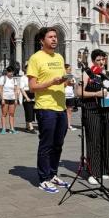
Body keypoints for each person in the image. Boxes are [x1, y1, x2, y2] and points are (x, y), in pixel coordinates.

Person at [26, 27, 70, 194]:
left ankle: (53, 174)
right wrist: (51, 82)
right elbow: (32, 87)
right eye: (50, 37)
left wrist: (67, 82)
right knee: (47, 144)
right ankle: (43, 179)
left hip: (61, 106)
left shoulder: (59, 57)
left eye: (55, 36)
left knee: (58, 144)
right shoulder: (35, 58)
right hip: (45, 107)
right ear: (42, 40)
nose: (54, 39)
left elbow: (62, 81)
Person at [79, 49, 109, 185]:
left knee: (106, 139)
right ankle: (93, 172)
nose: (102, 62)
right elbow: (79, 92)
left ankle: (104, 169)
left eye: (103, 59)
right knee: (93, 140)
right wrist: (96, 93)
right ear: (93, 61)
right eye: (98, 60)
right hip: (92, 110)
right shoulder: (87, 73)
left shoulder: (106, 74)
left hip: (108, 109)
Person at [0, 66, 21, 134]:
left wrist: (16, 99)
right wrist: (2, 98)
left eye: (12, 72)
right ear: (7, 72)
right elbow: (0, 89)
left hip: (12, 98)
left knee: (11, 114)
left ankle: (12, 128)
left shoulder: (14, 80)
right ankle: (3, 129)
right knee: (4, 114)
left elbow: (15, 90)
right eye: (10, 72)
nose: (12, 74)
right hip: (5, 98)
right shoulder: (3, 78)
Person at [64, 64, 78, 131]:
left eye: (70, 69)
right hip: (63, 96)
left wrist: (70, 82)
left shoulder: (71, 76)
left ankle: (69, 125)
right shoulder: (62, 76)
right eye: (69, 69)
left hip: (70, 96)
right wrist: (67, 81)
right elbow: (64, 84)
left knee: (69, 111)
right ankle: (63, 125)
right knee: (63, 111)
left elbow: (73, 83)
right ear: (65, 69)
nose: (70, 70)